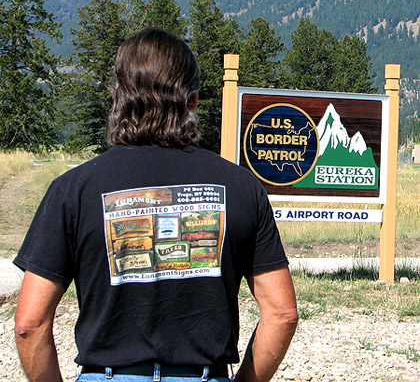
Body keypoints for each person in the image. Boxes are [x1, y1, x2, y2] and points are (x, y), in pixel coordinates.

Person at [14, 28, 298, 382]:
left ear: (116, 96)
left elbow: (29, 323)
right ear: (192, 102)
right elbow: (281, 313)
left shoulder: (72, 190)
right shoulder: (241, 187)